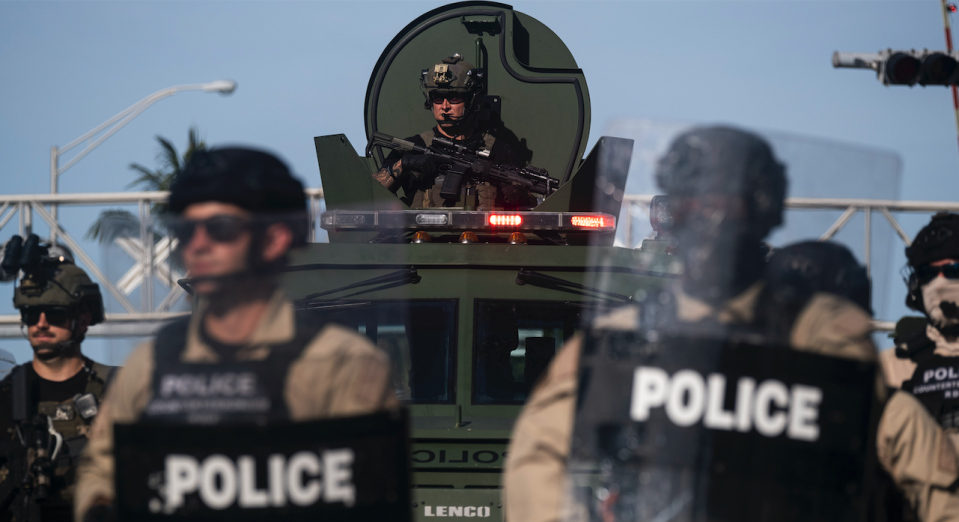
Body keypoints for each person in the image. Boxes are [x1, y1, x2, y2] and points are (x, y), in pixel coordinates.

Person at [502, 126, 959, 522]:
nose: (712, 222)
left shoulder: (814, 338)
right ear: (673, 215)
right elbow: (538, 453)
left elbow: (913, 456)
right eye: (695, 204)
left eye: (730, 205)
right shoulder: (624, 339)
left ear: (763, 215)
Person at [74, 147, 397, 521]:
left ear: (274, 239)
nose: (196, 246)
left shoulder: (343, 365)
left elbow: (371, 494)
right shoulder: (150, 367)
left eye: (220, 229)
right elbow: (102, 468)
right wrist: (100, 505)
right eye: (185, 230)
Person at [0, 249, 111, 522]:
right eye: (31, 314)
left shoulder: (117, 390)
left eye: (55, 314)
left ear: (83, 320)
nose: (41, 324)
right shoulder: (5, 397)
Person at [371, 53, 534, 210]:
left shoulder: (499, 151)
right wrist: (403, 163)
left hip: (484, 237)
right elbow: (370, 194)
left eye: (454, 98)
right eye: (438, 98)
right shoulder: (414, 147)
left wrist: (520, 197)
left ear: (471, 100)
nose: (445, 106)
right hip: (423, 236)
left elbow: (532, 207)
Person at [882, 213, 959, 428]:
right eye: (928, 273)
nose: (940, 283)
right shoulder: (891, 367)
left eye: (954, 269)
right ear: (916, 285)